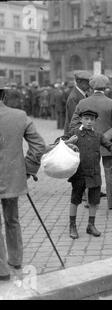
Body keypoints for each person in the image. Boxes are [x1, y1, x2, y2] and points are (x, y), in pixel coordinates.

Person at [0, 79, 46, 280]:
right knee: (12, 220)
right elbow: (38, 145)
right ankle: (16, 260)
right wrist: (27, 169)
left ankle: (1, 270)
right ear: (3, 95)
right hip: (12, 178)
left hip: (10, 177)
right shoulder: (19, 115)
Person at [69, 74, 112, 210]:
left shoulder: (83, 103)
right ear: (105, 87)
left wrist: (87, 135)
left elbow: (73, 125)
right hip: (108, 144)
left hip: (87, 144)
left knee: (89, 173)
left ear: (91, 87)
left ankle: (89, 201)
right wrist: (104, 137)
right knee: (110, 173)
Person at [66, 109, 112, 239]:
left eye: (92, 119)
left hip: (94, 172)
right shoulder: (74, 133)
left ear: (95, 121)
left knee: (94, 201)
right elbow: (60, 144)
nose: (89, 122)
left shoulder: (98, 135)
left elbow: (111, 146)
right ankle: (72, 226)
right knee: (75, 199)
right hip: (79, 172)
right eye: (86, 119)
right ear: (81, 120)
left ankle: (91, 225)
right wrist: (69, 143)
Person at [64, 70, 92, 136]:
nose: (89, 85)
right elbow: (74, 119)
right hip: (75, 133)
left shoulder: (84, 94)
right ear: (78, 82)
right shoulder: (74, 97)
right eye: (87, 83)